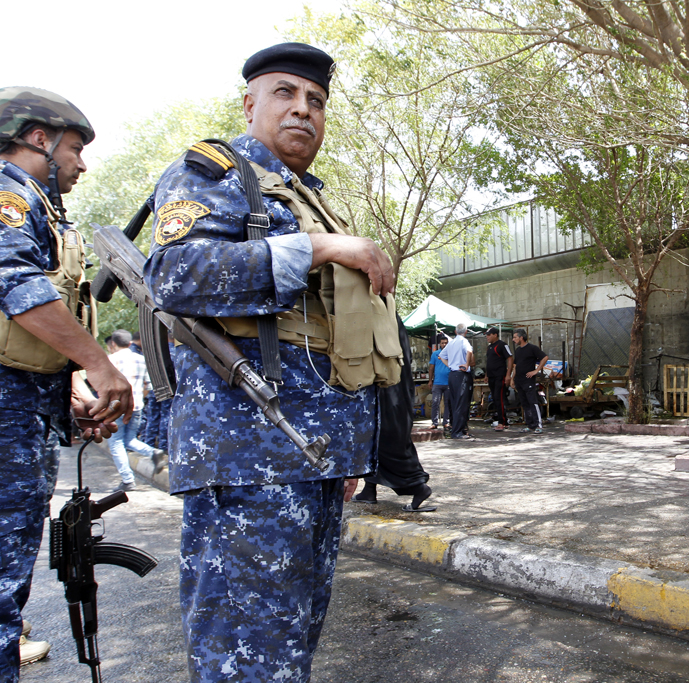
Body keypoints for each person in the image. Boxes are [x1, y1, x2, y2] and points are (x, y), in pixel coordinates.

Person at [143, 43, 400, 682]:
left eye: (315, 100)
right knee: (246, 651)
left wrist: (344, 454)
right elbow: (176, 277)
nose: (303, 110)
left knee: (290, 646)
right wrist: (313, 247)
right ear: (250, 102)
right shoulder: (215, 173)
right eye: (285, 93)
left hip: (309, 456)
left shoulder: (300, 195)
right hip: (247, 456)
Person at [0, 87, 132, 677]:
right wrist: (99, 364)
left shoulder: (37, 205)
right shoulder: (8, 194)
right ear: (38, 140)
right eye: (75, 148)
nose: (81, 163)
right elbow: (15, 286)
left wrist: (70, 389)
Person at [352, 317, 435, 512]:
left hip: (388, 389)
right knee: (374, 440)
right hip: (391, 388)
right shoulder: (387, 316)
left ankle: (418, 487)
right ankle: (369, 490)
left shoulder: (381, 318)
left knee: (387, 440)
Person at [105, 329, 166, 490]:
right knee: (129, 439)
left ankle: (127, 480)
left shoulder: (110, 360)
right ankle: (153, 452)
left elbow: (105, 387)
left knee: (116, 443)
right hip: (137, 406)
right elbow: (148, 387)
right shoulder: (141, 360)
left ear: (113, 344)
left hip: (116, 407)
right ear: (130, 343)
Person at [439, 323, 474, 439]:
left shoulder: (451, 343)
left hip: (453, 374)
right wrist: (467, 364)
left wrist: (450, 365)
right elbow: (469, 351)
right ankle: (458, 431)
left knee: (455, 403)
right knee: (462, 403)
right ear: (466, 331)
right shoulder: (464, 341)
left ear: (455, 331)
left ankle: (458, 429)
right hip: (462, 374)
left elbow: (441, 355)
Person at [511, 328, 548, 434]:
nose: (513, 340)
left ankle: (538, 425)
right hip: (519, 380)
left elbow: (545, 357)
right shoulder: (518, 351)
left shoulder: (532, 348)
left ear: (521, 337)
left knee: (532, 402)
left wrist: (536, 370)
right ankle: (530, 425)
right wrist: (512, 379)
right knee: (524, 403)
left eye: (515, 337)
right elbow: (515, 366)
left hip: (528, 380)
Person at [485, 327, 513, 431]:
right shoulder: (489, 347)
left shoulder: (502, 345)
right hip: (491, 376)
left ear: (495, 335)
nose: (487, 337)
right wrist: (486, 375)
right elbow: (489, 361)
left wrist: (508, 375)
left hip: (499, 376)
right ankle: (501, 420)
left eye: (489, 335)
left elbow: (510, 358)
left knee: (499, 397)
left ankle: (502, 421)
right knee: (494, 398)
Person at [428, 334, 452, 431]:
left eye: (446, 343)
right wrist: (430, 380)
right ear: (440, 344)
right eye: (442, 343)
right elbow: (431, 368)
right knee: (435, 402)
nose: (444, 344)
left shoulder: (451, 354)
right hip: (437, 383)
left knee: (447, 403)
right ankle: (434, 422)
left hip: (448, 383)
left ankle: (446, 422)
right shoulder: (435, 354)